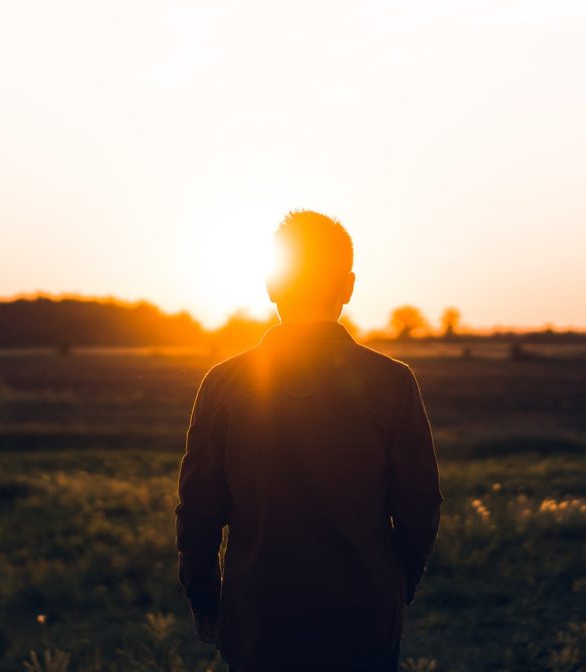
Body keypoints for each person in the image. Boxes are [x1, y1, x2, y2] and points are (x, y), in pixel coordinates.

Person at [176, 210, 443, 672]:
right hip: (363, 625)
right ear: (348, 286)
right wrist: (395, 590)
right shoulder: (392, 384)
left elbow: (198, 513)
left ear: (272, 285)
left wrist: (207, 604)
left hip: (260, 625)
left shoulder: (223, 385)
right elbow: (420, 508)